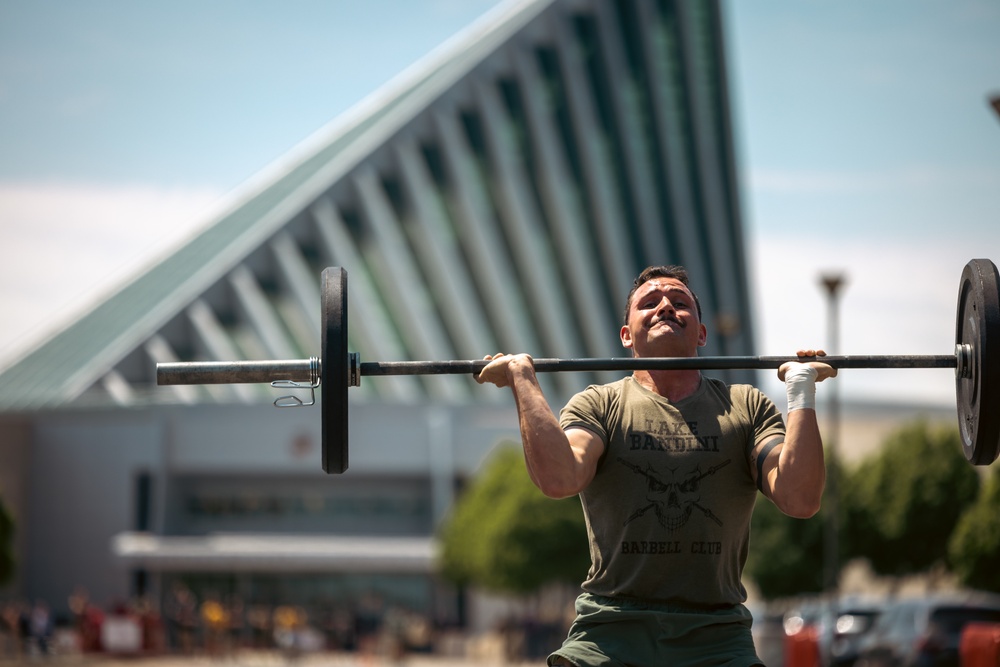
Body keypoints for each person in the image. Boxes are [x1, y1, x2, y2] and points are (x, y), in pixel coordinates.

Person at [475, 265, 835, 667]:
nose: (665, 306)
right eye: (650, 303)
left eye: (680, 303)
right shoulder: (598, 404)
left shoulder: (746, 406)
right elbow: (560, 477)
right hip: (611, 630)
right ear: (627, 335)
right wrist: (523, 379)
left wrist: (801, 391)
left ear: (701, 333)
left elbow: (800, 498)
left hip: (715, 635)